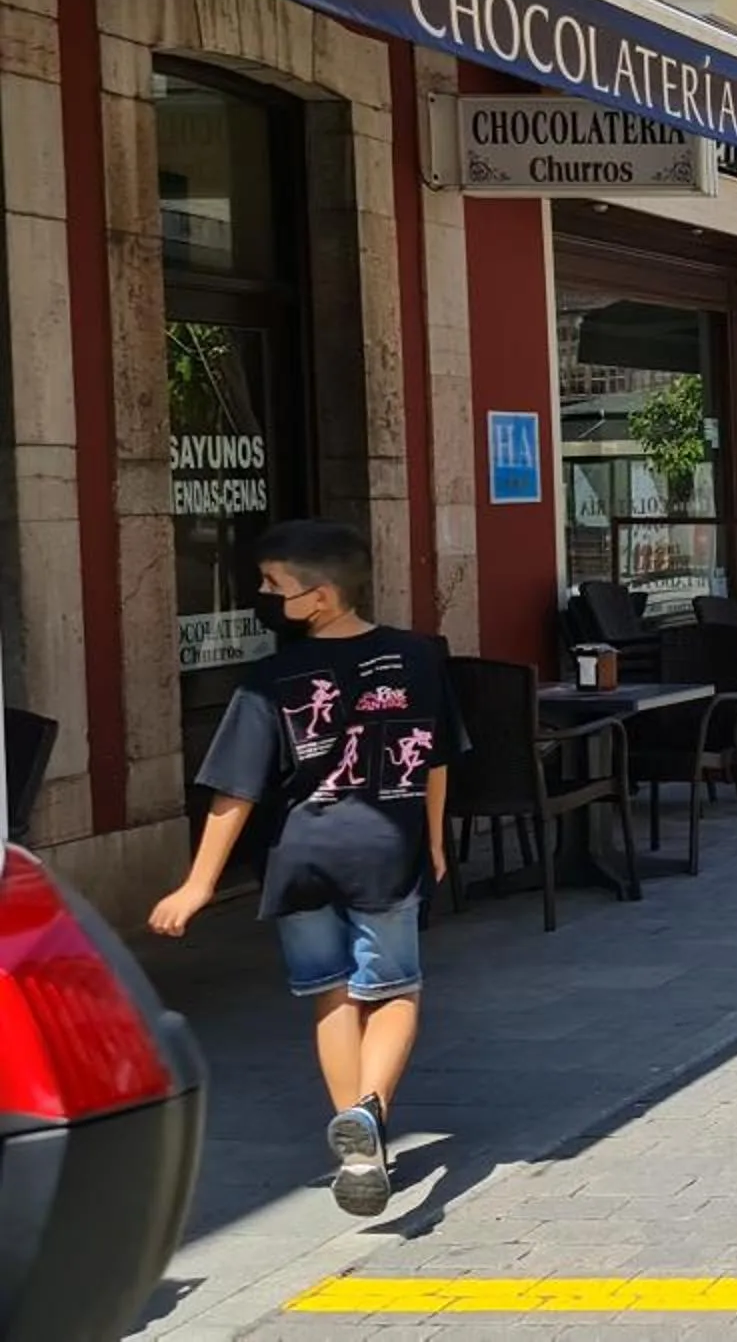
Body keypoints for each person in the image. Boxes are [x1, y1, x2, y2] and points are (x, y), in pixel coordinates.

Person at [148, 520, 465, 1218]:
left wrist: (200, 882)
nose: (263, 595)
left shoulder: (270, 677)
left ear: (318, 598)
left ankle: (359, 1149)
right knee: (395, 992)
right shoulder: (418, 657)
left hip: (298, 856)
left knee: (331, 994)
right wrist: (436, 841)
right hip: (385, 851)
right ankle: (372, 1113)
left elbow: (237, 788)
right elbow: (435, 755)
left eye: (272, 585)